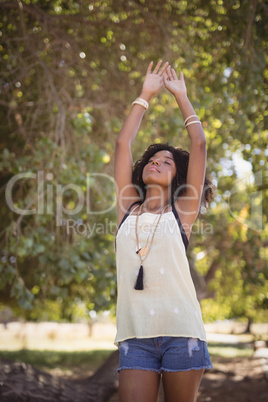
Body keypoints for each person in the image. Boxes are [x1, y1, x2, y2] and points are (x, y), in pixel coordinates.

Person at [114, 60, 214, 402]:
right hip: (135, 336)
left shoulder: (182, 211)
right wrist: (145, 94)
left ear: (177, 176)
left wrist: (180, 96)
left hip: (182, 334)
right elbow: (122, 144)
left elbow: (199, 144)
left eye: (166, 161)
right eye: (153, 159)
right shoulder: (127, 208)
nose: (156, 161)